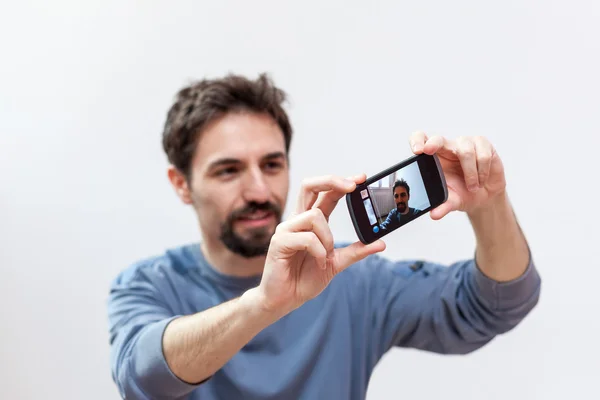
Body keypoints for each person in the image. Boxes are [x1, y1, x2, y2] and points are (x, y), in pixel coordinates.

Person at [107, 73, 541, 400]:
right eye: (228, 170)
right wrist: (263, 305)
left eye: (272, 165)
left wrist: (489, 206)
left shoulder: (350, 280)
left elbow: (495, 305)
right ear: (181, 184)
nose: (259, 190)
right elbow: (141, 375)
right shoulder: (147, 284)